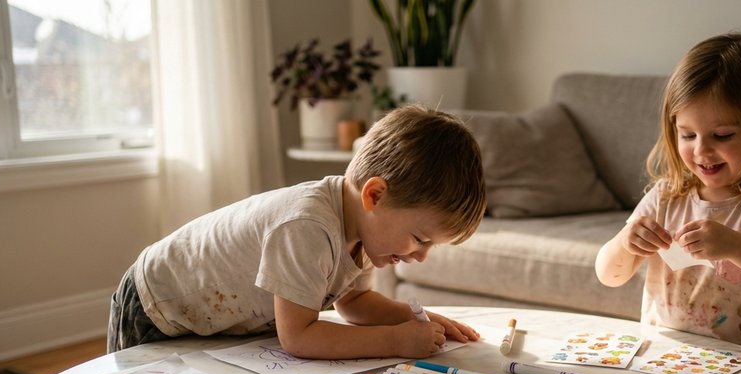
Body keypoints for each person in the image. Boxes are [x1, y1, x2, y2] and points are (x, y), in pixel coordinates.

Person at [108, 105, 486, 358]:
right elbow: (299, 337)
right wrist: (396, 341)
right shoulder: (307, 227)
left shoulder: (363, 230)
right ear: (375, 195)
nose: (420, 256)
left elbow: (353, 303)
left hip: (208, 320)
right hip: (155, 304)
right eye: (420, 239)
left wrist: (410, 318)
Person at [595, 32, 741, 360]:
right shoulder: (666, 197)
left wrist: (735, 245)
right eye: (687, 135)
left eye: (722, 135)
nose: (701, 150)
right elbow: (609, 275)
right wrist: (625, 242)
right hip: (666, 363)